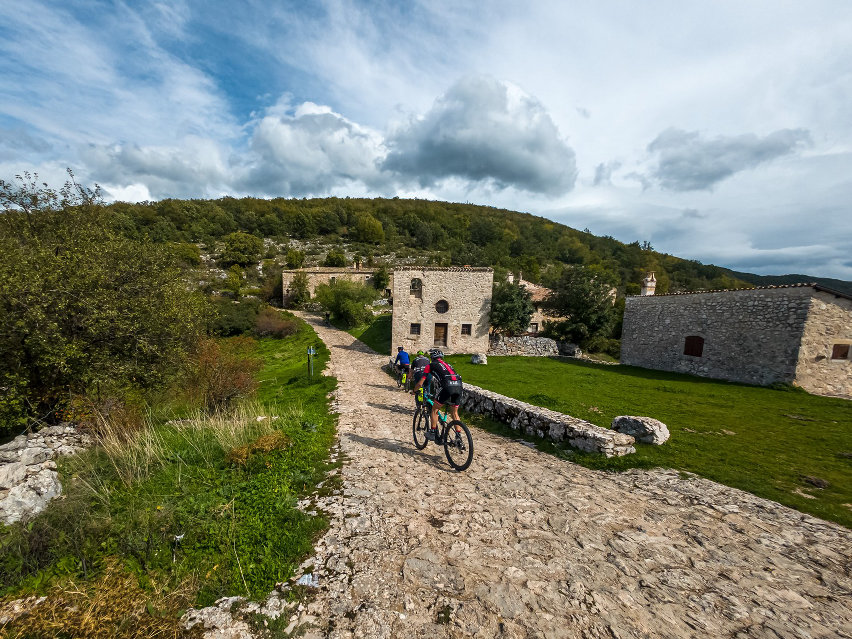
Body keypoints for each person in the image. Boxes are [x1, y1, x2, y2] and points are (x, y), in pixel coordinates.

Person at [411, 349, 463, 435]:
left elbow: (420, 383)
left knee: (435, 409)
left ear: (431, 358)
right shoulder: (448, 364)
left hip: (447, 386)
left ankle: (432, 432)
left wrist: (414, 391)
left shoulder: (430, 365)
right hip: (459, 386)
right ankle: (458, 436)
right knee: (454, 412)